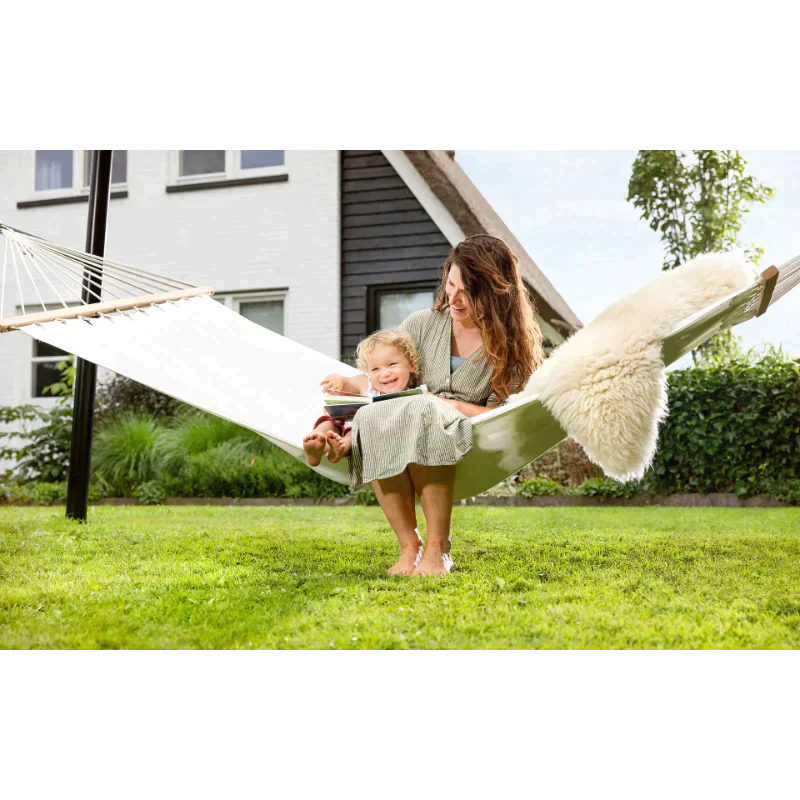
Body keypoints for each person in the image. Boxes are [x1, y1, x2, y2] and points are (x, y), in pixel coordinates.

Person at [348, 235, 545, 577]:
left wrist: (441, 404)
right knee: (375, 414)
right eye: (450, 284)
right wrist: (347, 386)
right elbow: (384, 379)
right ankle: (410, 547)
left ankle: (438, 548)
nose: (453, 299)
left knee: (424, 412)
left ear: (496, 292)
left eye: (467, 292)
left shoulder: (513, 348)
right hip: (402, 434)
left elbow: (505, 418)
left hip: (467, 440)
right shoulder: (420, 325)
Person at [302, 328, 425, 467]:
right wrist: (336, 381)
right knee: (330, 421)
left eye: (392, 364)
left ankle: (340, 449)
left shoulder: (416, 394)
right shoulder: (367, 384)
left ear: (412, 365)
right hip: (343, 421)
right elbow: (346, 381)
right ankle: (317, 442)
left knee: (354, 434)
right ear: (368, 372)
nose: (385, 374)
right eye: (375, 369)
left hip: (363, 433)